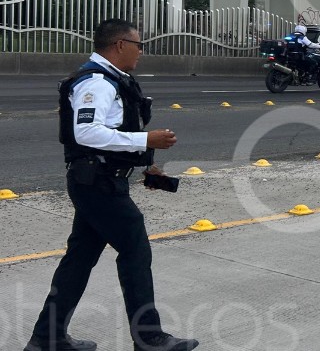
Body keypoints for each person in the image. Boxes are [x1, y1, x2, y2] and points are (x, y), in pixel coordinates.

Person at [26, 19, 199, 351]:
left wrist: (148, 166)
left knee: (79, 259)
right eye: (139, 45)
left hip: (100, 181)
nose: (141, 52)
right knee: (135, 250)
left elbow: (117, 129)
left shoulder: (117, 80)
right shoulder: (96, 83)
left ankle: (47, 337)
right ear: (121, 44)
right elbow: (87, 133)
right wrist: (146, 138)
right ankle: (149, 338)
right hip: (98, 185)